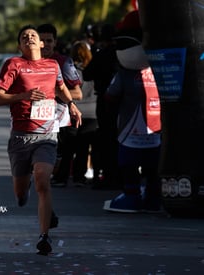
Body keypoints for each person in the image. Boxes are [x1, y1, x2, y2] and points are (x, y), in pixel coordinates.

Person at [0, 24, 82, 256]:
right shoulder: (14, 65)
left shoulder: (53, 65)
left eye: (33, 36)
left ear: (41, 43)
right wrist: (23, 96)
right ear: (20, 45)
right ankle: (24, 191)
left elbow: (62, 88)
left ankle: (44, 236)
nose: (29, 38)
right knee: (20, 192)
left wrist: (72, 105)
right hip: (21, 137)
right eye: (24, 37)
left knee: (43, 179)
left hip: (47, 134)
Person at [102, 11, 162, 213]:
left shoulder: (124, 73)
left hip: (129, 131)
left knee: (129, 165)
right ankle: (153, 197)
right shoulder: (160, 70)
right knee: (152, 167)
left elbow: (110, 95)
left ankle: (131, 196)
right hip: (155, 131)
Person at [37, 23, 83, 187]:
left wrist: (54, 91)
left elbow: (78, 93)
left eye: (49, 40)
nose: (45, 44)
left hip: (61, 121)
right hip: (36, 122)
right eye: (41, 40)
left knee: (62, 154)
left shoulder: (63, 62)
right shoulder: (27, 63)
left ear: (55, 43)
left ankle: (59, 177)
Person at [83, 23, 121, 190]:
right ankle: (120, 175)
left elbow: (87, 74)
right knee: (119, 137)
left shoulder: (101, 55)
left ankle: (105, 174)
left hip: (104, 101)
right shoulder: (123, 54)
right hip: (123, 102)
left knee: (105, 138)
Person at [69, 40, 98, 185]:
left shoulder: (71, 70)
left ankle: (77, 175)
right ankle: (95, 174)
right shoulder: (95, 69)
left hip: (76, 111)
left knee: (77, 147)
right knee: (92, 147)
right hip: (93, 112)